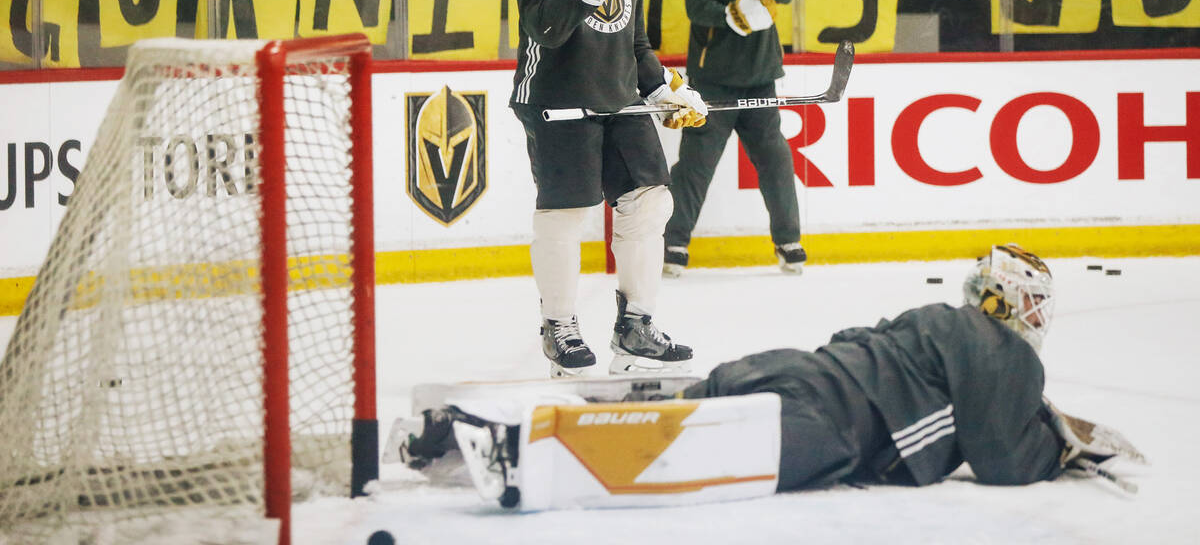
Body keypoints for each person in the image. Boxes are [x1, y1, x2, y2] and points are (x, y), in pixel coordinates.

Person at [395, 245, 1145, 508]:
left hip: (792, 369)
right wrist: (1060, 445)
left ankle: (448, 430)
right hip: (827, 429)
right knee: (661, 453)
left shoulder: (936, 322)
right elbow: (1009, 463)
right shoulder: (1003, 352)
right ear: (1021, 307)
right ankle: (507, 443)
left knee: (673, 418)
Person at [508, 0, 708, 377]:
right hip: (556, 98)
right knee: (566, 213)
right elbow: (544, 29)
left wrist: (664, 88)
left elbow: (632, 38)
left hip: (618, 96)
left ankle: (636, 326)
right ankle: (560, 326)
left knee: (650, 202)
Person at [664, 0, 804, 278]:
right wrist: (730, 14)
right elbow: (694, 7)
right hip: (714, 81)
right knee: (696, 165)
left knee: (776, 161)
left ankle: (788, 239)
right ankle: (674, 243)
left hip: (761, 76)